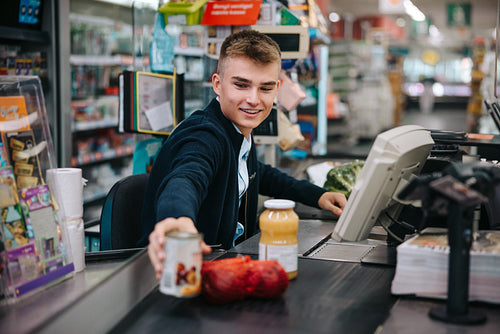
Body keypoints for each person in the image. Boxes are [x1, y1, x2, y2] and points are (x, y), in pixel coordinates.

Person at [140, 29, 347, 280]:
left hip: (216, 268)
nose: (253, 99)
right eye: (241, 85)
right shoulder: (204, 135)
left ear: (277, 89)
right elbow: (187, 176)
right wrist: (177, 219)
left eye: (265, 88)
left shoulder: (237, 130)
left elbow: (258, 171)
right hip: (174, 273)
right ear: (217, 83)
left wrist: (318, 195)